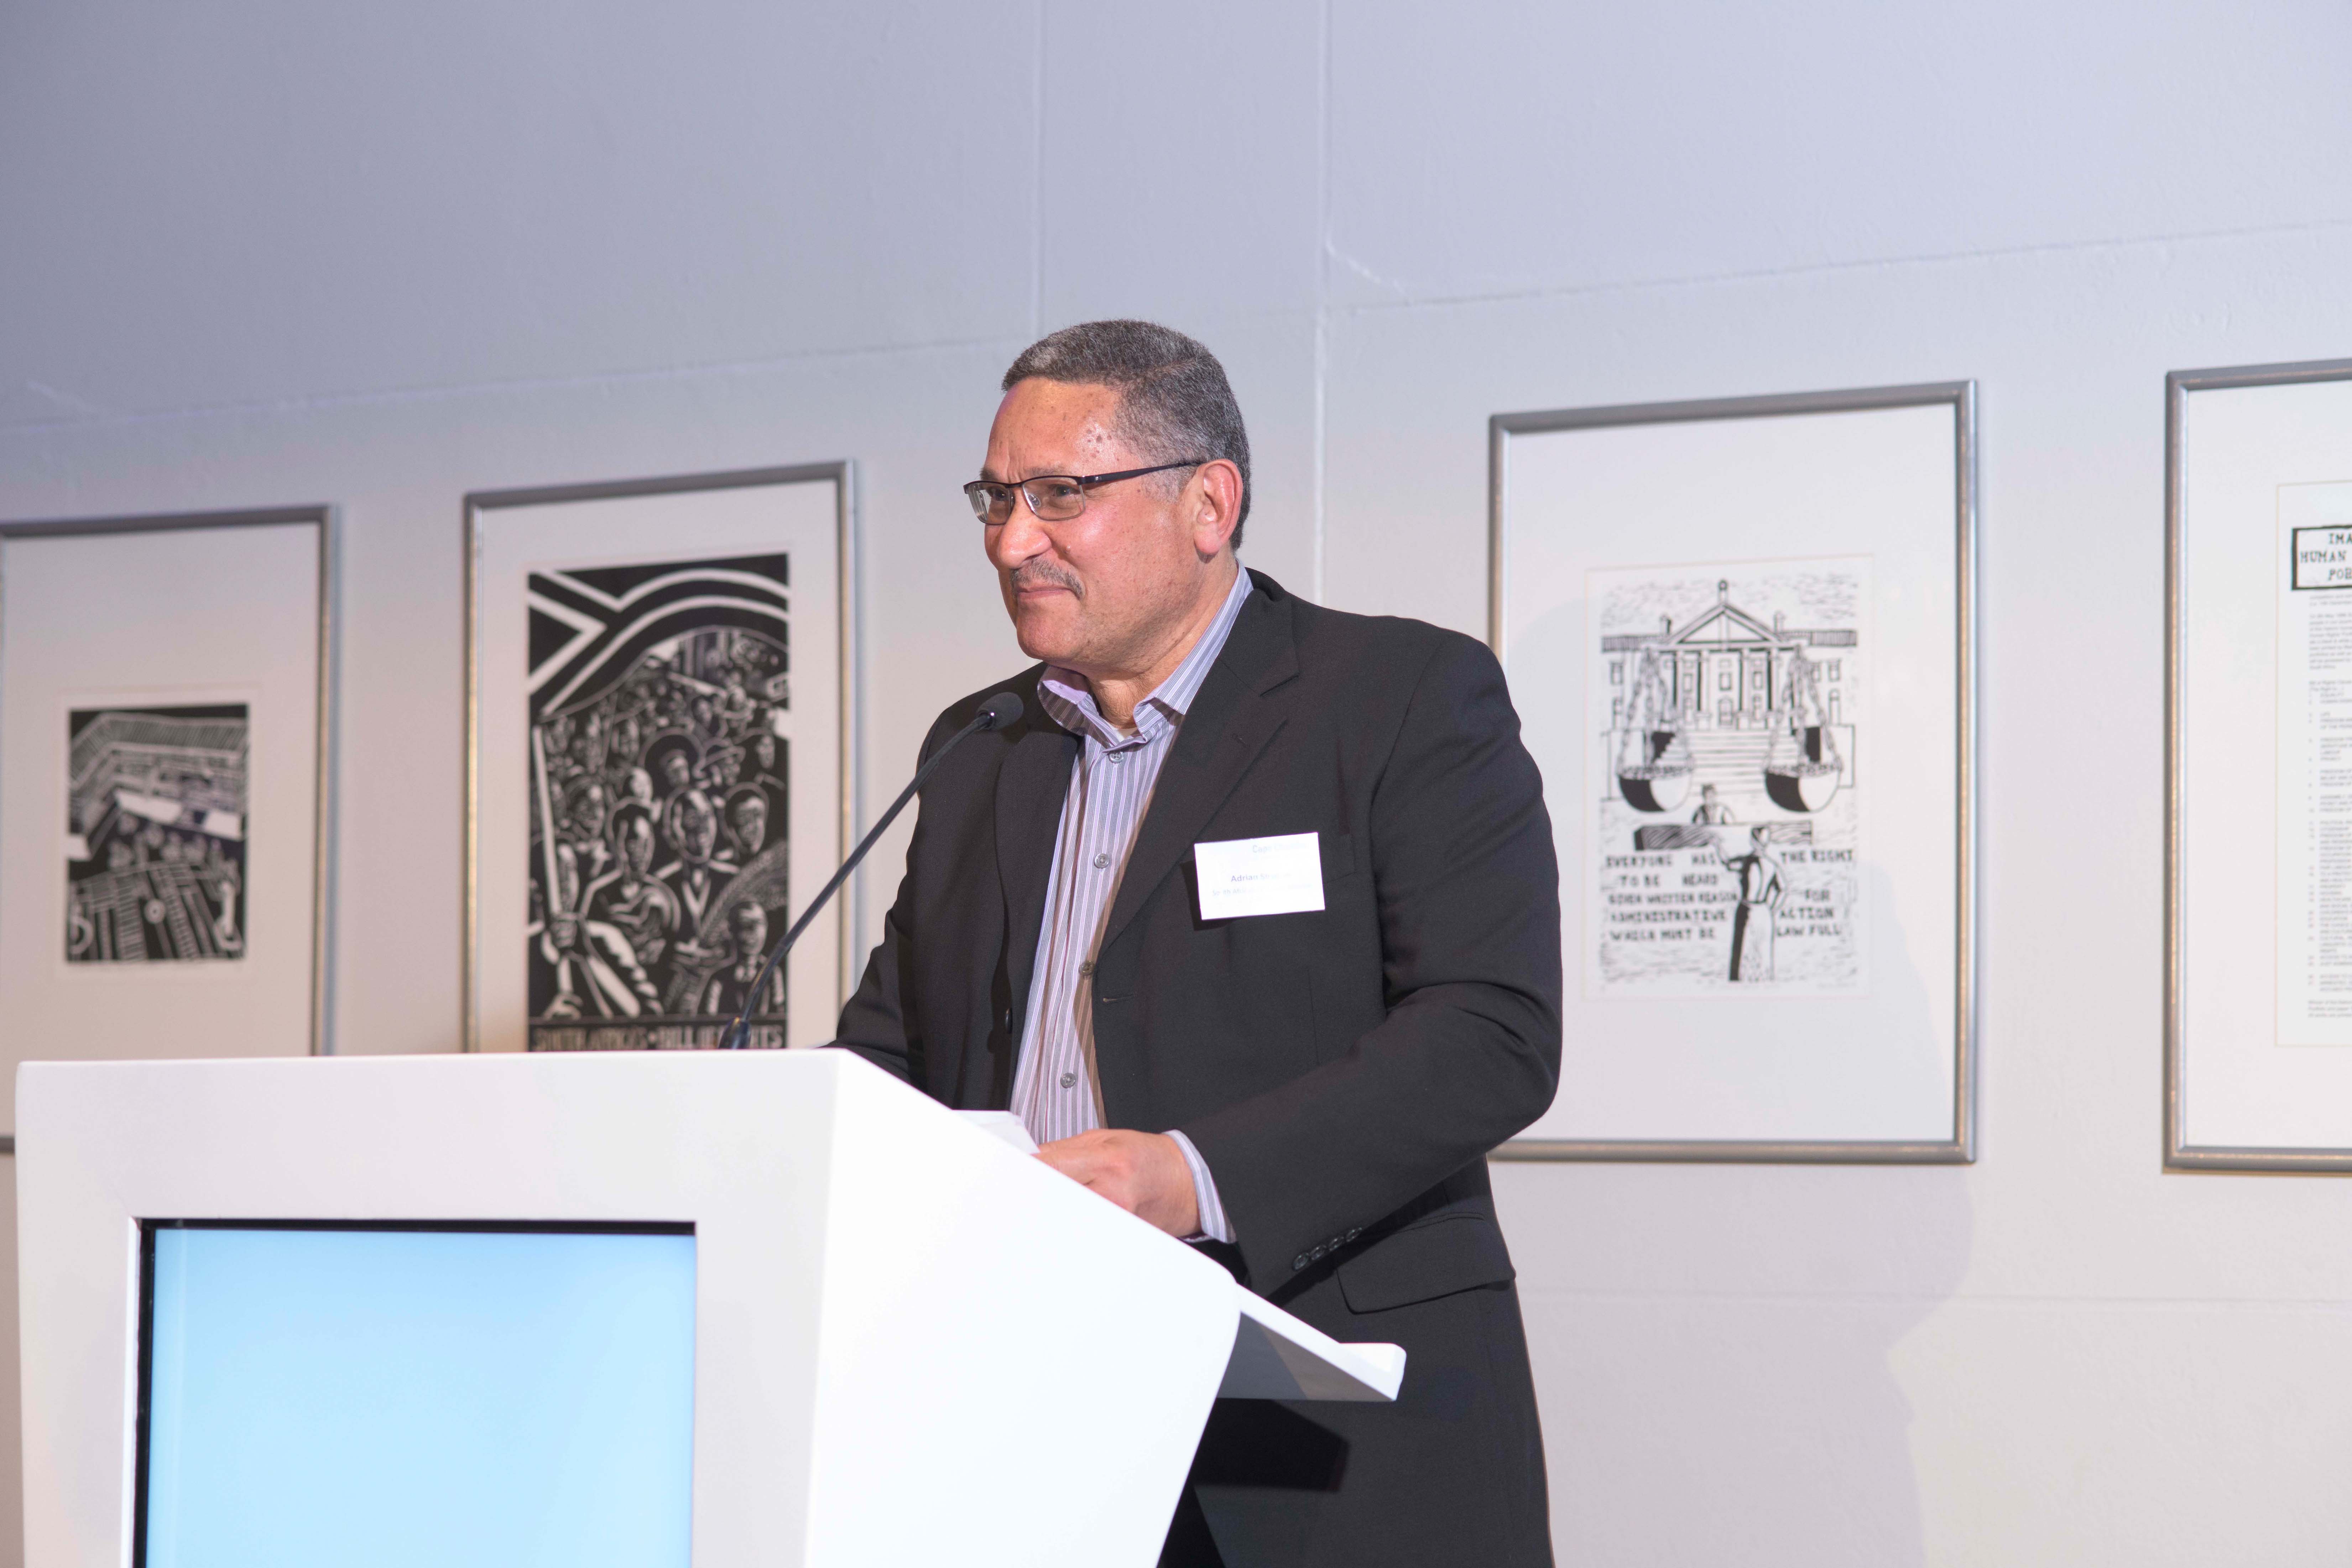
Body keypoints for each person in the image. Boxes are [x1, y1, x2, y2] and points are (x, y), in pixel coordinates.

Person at [835, 321, 1560, 1566]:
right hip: (1030, 1424)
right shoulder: (979, 745)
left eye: (1060, 495)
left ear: (1208, 505)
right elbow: (897, 1054)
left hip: (1332, 1437)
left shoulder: (1394, 696)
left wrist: (1189, 1174)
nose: (1012, 541)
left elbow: (1489, 1035)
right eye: (996, 499)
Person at [1720, 824, 1784, 981]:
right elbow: (1782, 890)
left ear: (1753, 841)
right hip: (1764, 911)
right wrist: (1772, 909)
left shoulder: (1746, 862)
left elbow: (1727, 863)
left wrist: (1718, 847)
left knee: (1743, 950)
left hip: (1747, 909)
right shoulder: (1772, 865)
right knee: (1761, 951)